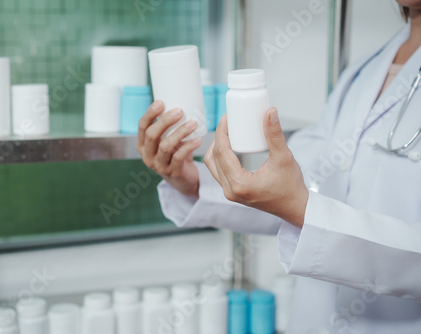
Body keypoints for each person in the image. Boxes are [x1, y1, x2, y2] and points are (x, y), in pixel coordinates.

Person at [137, 1, 421, 333]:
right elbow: (304, 182)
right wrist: (190, 181)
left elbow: (302, 203)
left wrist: (300, 208)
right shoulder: (364, 72)